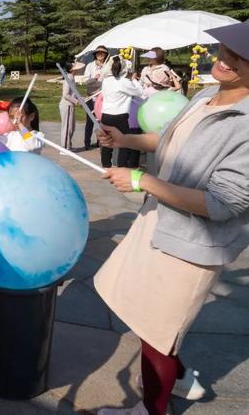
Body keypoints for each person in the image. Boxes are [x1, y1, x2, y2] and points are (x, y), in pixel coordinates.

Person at [94, 21, 249, 415]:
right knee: (144, 313)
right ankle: (181, 380)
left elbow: (223, 202)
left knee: (157, 332)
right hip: (161, 224)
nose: (225, 58)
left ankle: (150, 409)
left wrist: (141, 179)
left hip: (193, 244)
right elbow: (167, 139)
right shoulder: (206, 95)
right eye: (226, 49)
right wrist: (124, 138)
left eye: (239, 56)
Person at [99, 56, 145, 168]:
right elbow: (139, 92)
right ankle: (122, 165)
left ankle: (106, 166)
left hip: (106, 115)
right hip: (120, 116)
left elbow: (104, 95)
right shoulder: (124, 82)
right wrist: (134, 79)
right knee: (124, 142)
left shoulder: (106, 81)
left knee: (106, 142)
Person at [83, 45, 109, 149]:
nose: (100, 55)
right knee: (90, 120)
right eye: (98, 53)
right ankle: (87, 143)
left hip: (102, 97)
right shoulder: (90, 66)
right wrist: (94, 78)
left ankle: (100, 142)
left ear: (105, 55)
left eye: (102, 53)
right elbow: (85, 80)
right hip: (91, 96)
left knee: (101, 121)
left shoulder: (107, 66)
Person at [60, 61, 82, 150]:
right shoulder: (68, 78)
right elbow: (66, 95)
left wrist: (81, 99)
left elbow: (73, 93)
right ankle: (64, 148)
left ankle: (68, 145)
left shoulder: (72, 78)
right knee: (67, 127)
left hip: (70, 105)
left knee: (71, 127)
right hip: (67, 105)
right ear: (72, 69)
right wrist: (76, 101)